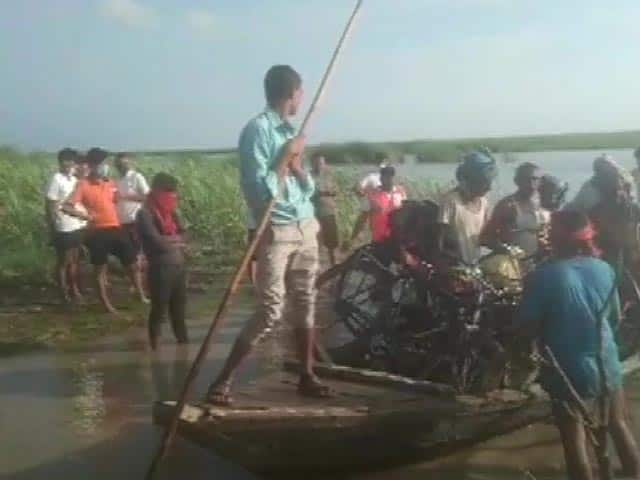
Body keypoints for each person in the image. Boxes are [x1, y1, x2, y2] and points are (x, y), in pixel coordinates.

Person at [206, 65, 329, 405]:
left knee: (306, 300)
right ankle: (223, 381)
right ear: (292, 93)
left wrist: (299, 165)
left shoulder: (290, 131)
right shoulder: (257, 131)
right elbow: (259, 192)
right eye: (300, 93)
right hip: (277, 229)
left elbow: (305, 191)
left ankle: (307, 374)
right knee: (271, 309)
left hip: (305, 225)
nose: (302, 99)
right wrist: (283, 159)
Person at [515, 210, 640, 480]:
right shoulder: (604, 268)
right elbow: (614, 317)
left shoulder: (542, 277)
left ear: (556, 240)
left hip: (568, 369)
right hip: (607, 362)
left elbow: (526, 327)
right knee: (619, 424)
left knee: (575, 439)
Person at [63, 147, 148, 314]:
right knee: (100, 269)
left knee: (132, 263)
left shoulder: (110, 183)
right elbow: (66, 206)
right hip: (97, 232)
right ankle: (106, 304)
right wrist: (84, 216)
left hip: (116, 227)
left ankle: (140, 294)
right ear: (93, 165)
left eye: (106, 163)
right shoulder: (83, 184)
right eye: (103, 163)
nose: (106, 166)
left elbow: (117, 200)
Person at [136, 173, 188, 350]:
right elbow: (156, 242)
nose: (172, 195)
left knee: (179, 312)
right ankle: (155, 351)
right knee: (159, 311)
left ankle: (183, 347)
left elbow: (185, 234)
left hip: (178, 266)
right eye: (168, 191)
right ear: (156, 190)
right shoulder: (144, 214)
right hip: (160, 268)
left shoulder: (171, 211)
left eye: (173, 191)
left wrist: (173, 239)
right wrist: (176, 240)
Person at [437, 151, 496, 265]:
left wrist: (501, 247)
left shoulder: (484, 203)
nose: (489, 187)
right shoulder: (451, 201)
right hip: (456, 268)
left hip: (475, 266)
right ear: (470, 180)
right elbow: (440, 243)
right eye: (484, 182)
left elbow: (483, 238)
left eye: (489, 182)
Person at [44, 148, 87, 303]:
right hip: (63, 226)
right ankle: (64, 292)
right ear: (60, 162)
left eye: (71, 160)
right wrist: (52, 228)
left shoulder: (73, 179)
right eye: (66, 160)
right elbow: (51, 205)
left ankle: (74, 288)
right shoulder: (56, 179)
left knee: (75, 259)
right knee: (64, 261)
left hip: (76, 224)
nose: (69, 163)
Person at [481, 162, 549, 258]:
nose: (531, 184)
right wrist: (505, 249)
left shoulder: (547, 203)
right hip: (515, 263)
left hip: (542, 260)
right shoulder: (507, 206)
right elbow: (485, 238)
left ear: (541, 181)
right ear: (516, 181)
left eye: (534, 179)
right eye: (526, 179)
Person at [347, 165, 407, 245]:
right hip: (379, 240)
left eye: (389, 176)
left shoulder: (400, 193)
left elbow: (407, 216)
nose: (386, 179)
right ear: (381, 178)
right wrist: (352, 239)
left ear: (393, 177)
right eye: (384, 176)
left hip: (399, 240)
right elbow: (362, 219)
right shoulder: (372, 195)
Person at [566, 154, 632, 213]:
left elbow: (575, 205)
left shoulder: (589, 187)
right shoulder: (623, 185)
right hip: (617, 222)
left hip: (597, 222)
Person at [114, 153, 150, 258]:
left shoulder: (136, 177)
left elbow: (147, 197)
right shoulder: (118, 180)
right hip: (121, 222)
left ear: (130, 163)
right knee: (128, 252)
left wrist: (126, 197)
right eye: (118, 164)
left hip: (135, 220)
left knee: (138, 250)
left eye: (124, 163)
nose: (121, 166)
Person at [310, 153, 339, 265]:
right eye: (316, 163)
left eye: (321, 163)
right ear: (312, 164)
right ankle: (316, 267)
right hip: (313, 214)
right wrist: (321, 193)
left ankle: (334, 265)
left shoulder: (329, 176)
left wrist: (328, 192)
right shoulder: (308, 176)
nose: (319, 165)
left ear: (324, 164)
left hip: (329, 212)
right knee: (315, 242)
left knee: (332, 243)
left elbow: (336, 191)